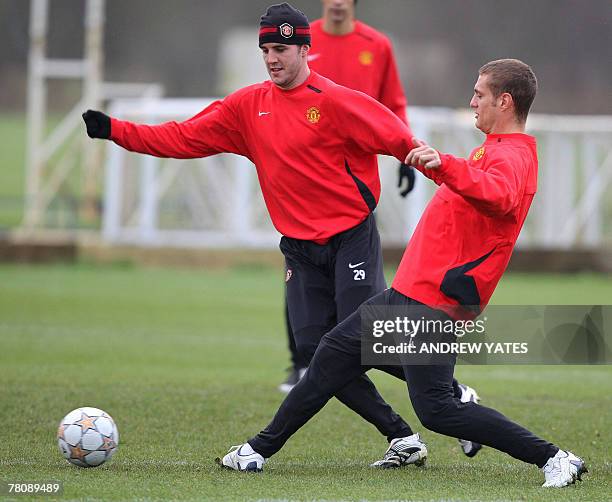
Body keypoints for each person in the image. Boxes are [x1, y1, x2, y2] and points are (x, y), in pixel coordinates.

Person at [83, 2, 428, 467]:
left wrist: (419, 159)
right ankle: (402, 438)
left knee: (361, 340)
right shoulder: (247, 107)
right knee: (314, 350)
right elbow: (182, 138)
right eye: (265, 48)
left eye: (281, 48)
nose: (271, 57)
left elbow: (393, 130)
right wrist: (116, 131)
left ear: (306, 48)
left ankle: (448, 389)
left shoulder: (335, 100)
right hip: (300, 251)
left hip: (351, 238)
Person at [220, 59, 588, 489]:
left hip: (436, 302)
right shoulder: (494, 148)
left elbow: (500, 196)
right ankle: (257, 450)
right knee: (330, 354)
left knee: (437, 411)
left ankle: (555, 458)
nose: (471, 101)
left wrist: (444, 165)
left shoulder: (512, 154)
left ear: (504, 101)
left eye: (480, 94)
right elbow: (473, 200)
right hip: (410, 291)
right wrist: (443, 171)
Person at [278, 0, 417, 395]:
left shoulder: (377, 44)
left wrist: (405, 155)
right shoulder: (302, 40)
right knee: (301, 275)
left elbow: (393, 104)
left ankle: (432, 379)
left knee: (359, 297)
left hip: (355, 179)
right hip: (305, 174)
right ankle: (300, 364)